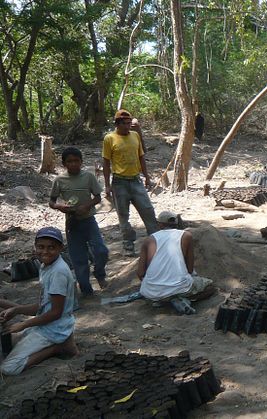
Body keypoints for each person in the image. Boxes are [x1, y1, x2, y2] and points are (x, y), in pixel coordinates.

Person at [0, 227, 79, 375]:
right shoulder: (46, 266)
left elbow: (55, 313)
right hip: (48, 324)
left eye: (51, 248)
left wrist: (23, 324)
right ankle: (62, 342)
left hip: (54, 328)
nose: (45, 252)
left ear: (60, 248)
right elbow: (43, 305)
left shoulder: (58, 273)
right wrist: (16, 310)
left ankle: (58, 348)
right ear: (35, 246)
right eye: (41, 247)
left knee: (8, 368)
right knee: (13, 342)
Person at [49, 147, 109, 296]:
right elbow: (51, 201)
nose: (73, 164)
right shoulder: (59, 180)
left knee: (101, 250)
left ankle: (100, 274)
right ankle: (86, 290)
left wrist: (86, 206)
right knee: (79, 259)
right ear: (64, 164)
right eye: (69, 161)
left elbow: (97, 197)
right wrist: (59, 206)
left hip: (89, 220)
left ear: (81, 162)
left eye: (76, 161)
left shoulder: (88, 177)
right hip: (72, 223)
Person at [136, 211, 215, 315]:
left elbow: (140, 273)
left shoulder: (149, 239)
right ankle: (179, 299)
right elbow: (190, 269)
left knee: (164, 291)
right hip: (179, 287)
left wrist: (154, 283)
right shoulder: (186, 236)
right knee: (210, 287)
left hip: (150, 291)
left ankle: (161, 300)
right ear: (176, 223)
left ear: (159, 224)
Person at [102, 108, 158, 254]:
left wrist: (147, 177)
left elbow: (141, 157)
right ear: (117, 124)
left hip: (136, 180)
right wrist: (107, 186)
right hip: (119, 183)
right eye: (125, 123)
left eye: (129, 123)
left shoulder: (135, 136)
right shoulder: (109, 139)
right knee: (123, 216)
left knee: (148, 211)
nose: (128, 126)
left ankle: (156, 241)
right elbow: (106, 163)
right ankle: (128, 245)